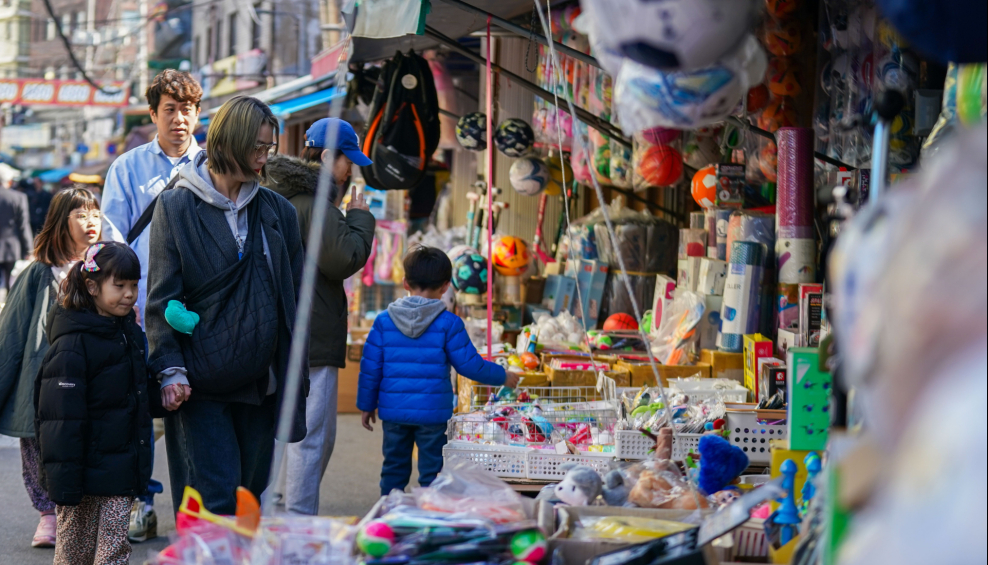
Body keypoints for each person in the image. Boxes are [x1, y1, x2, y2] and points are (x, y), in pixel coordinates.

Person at [146, 95, 308, 516]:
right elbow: (162, 298)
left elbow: (292, 303)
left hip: (263, 381)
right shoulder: (176, 205)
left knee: (249, 500)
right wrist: (170, 369)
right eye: (256, 147)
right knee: (213, 502)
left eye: (268, 148)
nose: (263, 157)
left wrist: (294, 376)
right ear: (229, 143)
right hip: (201, 383)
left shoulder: (278, 213)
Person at [100, 68, 203, 540]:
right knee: (138, 415)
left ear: (198, 114)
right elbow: (114, 242)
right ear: (153, 114)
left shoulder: (212, 167)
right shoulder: (128, 168)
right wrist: (124, 301)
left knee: (194, 412)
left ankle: (197, 511)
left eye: (187, 110)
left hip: (199, 317)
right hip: (140, 314)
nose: (179, 119)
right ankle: (141, 502)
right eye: (170, 110)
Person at [262, 118, 376, 516]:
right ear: (328, 157)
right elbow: (343, 258)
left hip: (282, 331)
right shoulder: (315, 205)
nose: (350, 171)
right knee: (311, 438)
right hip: (312, 333)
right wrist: (360, 217)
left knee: (280, 434)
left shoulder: (282, 195)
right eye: (348, 162)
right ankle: (298, 521)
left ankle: (267, 515)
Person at [35, 242, 167, 565]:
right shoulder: (72, 344)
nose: (129, 294)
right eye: (119, 285)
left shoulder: (131, 335)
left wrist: (163, 396)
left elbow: (139, 392)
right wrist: (63, 485)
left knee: (113, 552)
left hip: (119, 473)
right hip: (80, 479)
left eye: (134, 285)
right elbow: (60, 422)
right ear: (92, 287)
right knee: (73, 555)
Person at [358, 247, 519, 495]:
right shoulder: (449, 323)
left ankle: (388, 517)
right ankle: (431, 517)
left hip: (393, 412)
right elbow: (470, 365)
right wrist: (503, 376)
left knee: (393, 468)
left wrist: (367, 405)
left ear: (405, 283)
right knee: (433, 473)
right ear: (445, 287)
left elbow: (370, 368)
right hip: (433, 415)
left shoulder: (383, 321)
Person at [0, 188, 101, 548]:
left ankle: (80, 516)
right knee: (39, 449)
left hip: (92, 377)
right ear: (61, 221)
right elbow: (10, 335)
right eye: (81, 215)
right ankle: (48, 515)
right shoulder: (38, 274)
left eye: (95, 214)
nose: (91, 222)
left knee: (86, 445)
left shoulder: (105, 266)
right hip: (42, 383)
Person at [0, 165, 32, 302]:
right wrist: (29, 249)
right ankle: (7, 310)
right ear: (9, 181)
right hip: (11, 246)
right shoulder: (18, 197)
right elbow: (23, 225)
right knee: (10, 281)